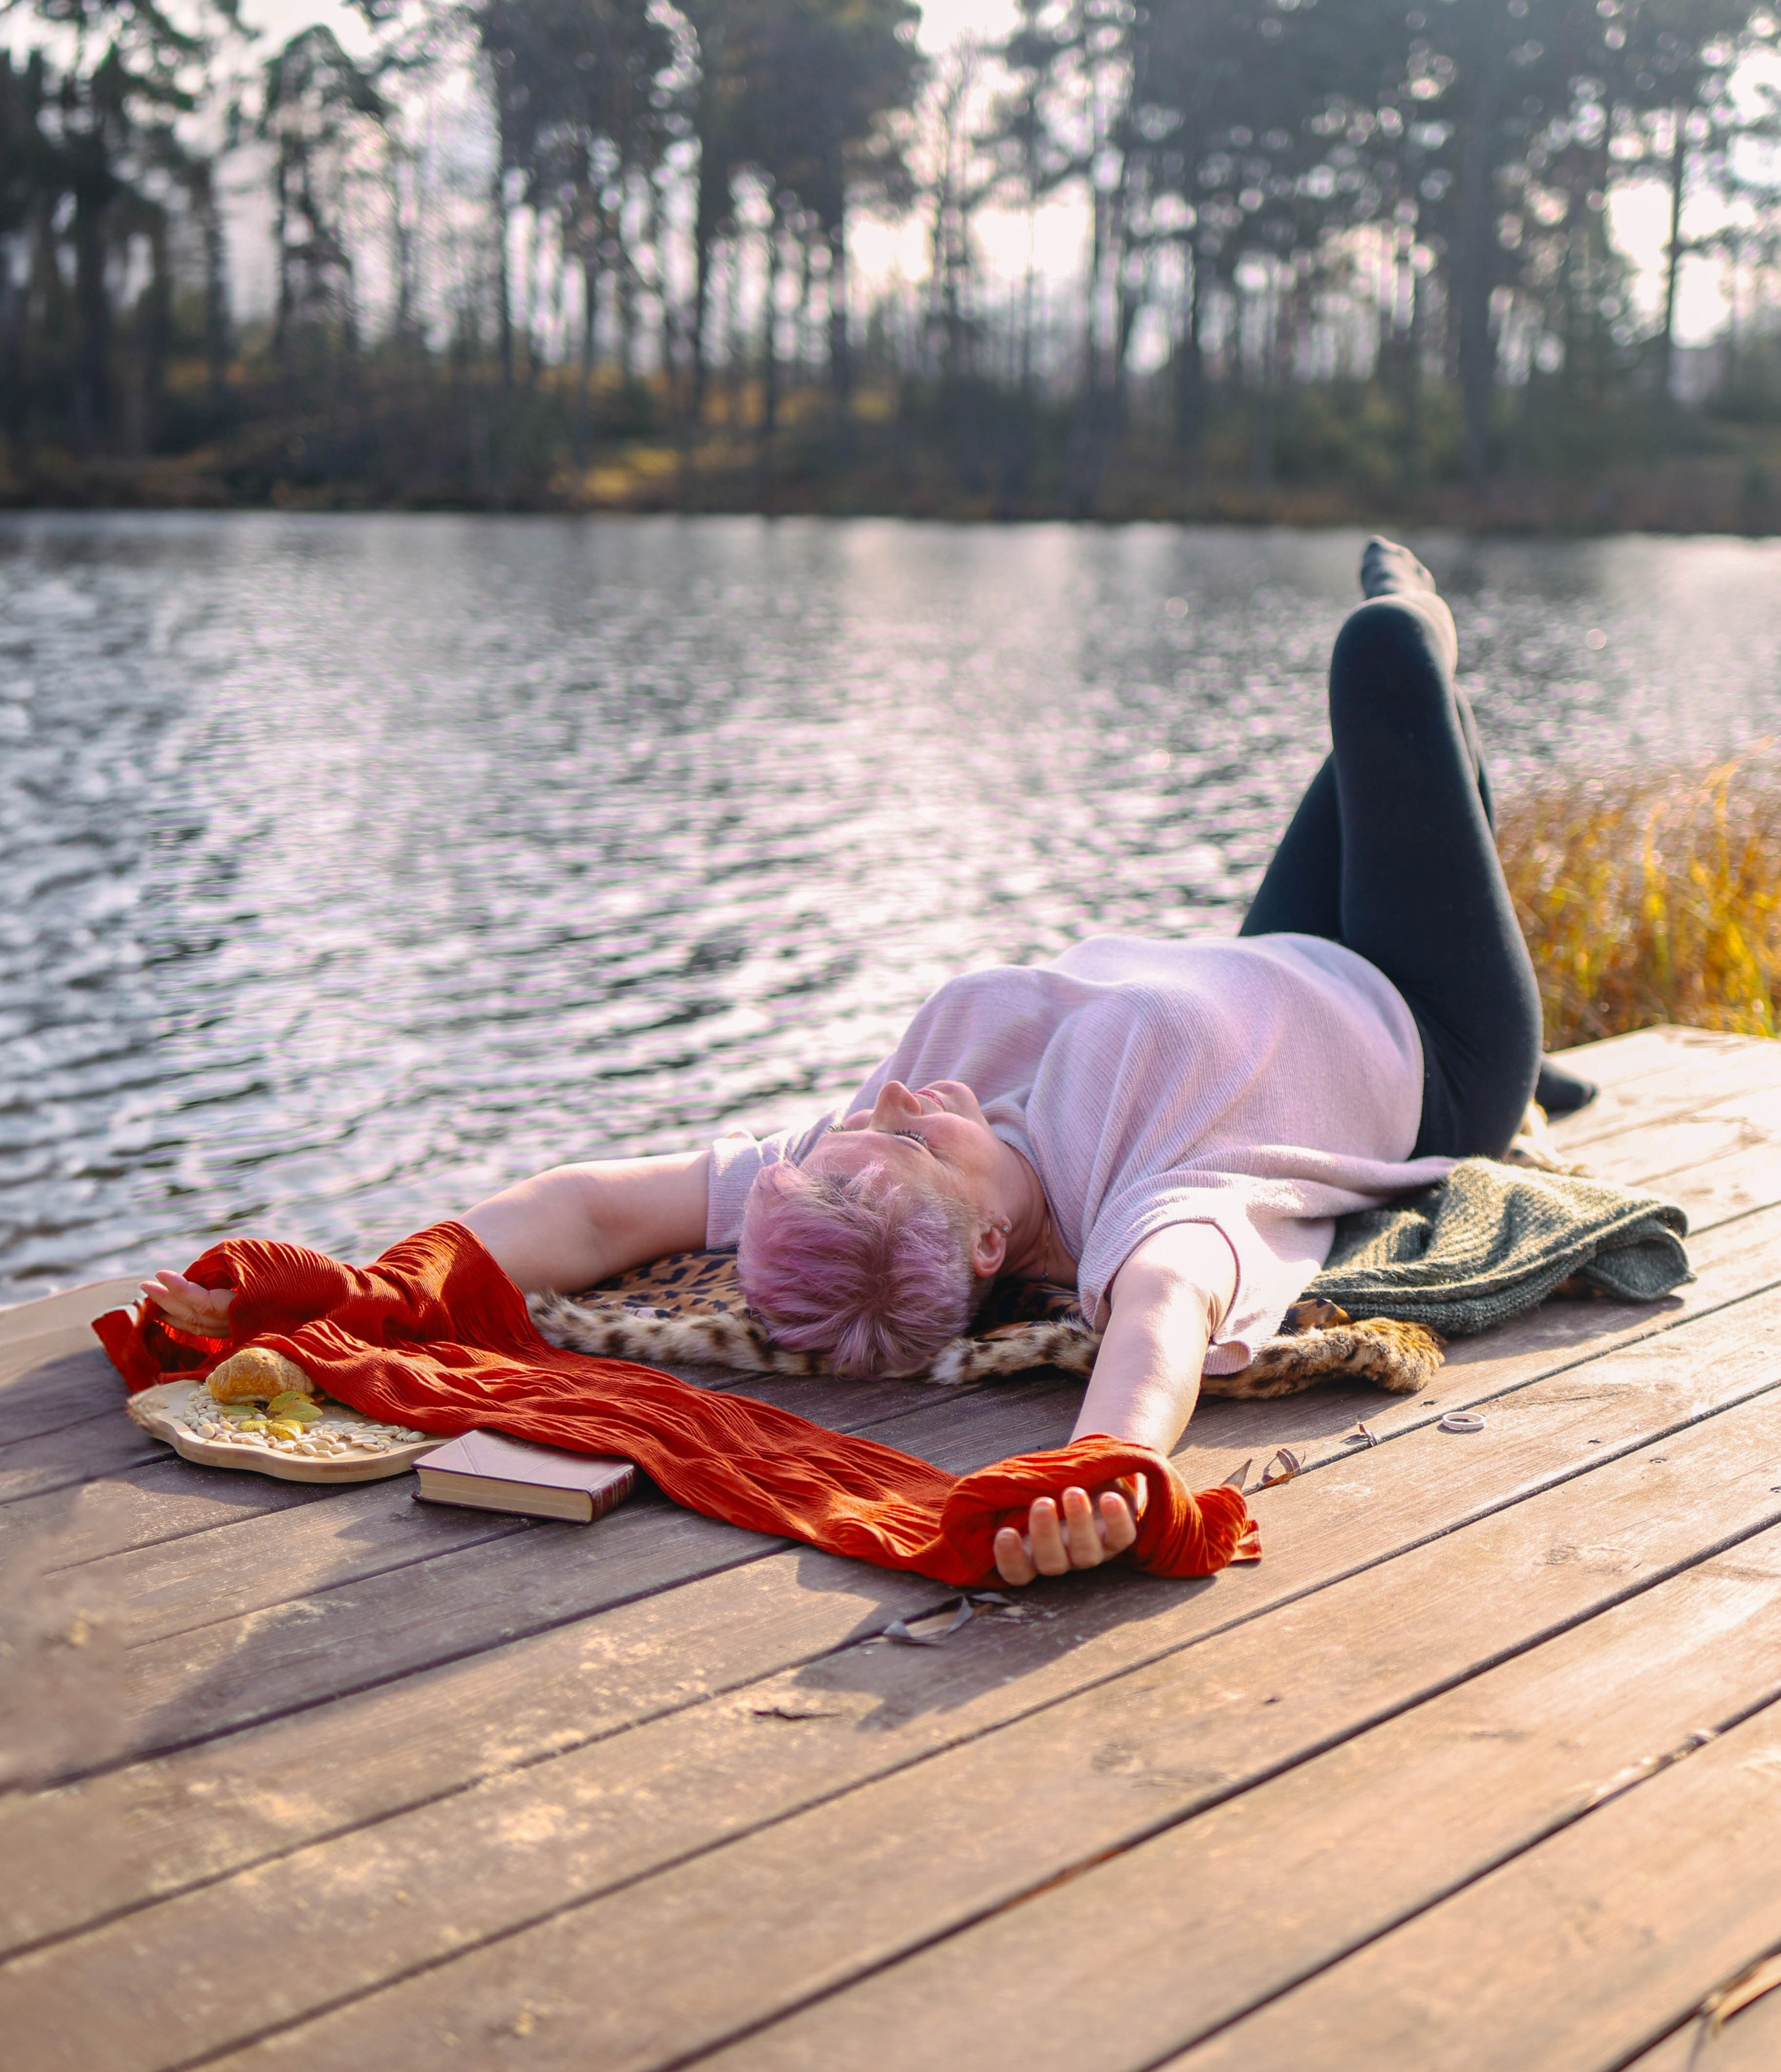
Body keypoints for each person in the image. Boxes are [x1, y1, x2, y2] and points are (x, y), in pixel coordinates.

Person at [146, 541, 1550, 1589]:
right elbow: (1157, 1334)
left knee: (1399, 745)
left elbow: (596, 1209)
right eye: (916, 1139)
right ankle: (1420, 597)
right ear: (992, 1239)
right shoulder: (1140, 1213)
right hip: (1426, 1029)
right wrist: (1102, 1473)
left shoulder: (863, 1166)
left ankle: (1437, 703)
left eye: (866, 1125)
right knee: (1386, 660)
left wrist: (365, 1288)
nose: (891, 1099)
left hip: (1278, 955)